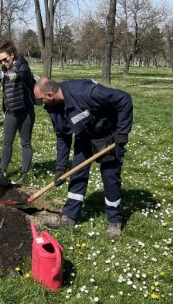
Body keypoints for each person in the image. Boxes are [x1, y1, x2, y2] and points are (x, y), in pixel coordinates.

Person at [33, 77, 133, 238]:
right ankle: (69, 216)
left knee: (110, 177)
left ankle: (114, 220)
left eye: (41, 99)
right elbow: (62, 137)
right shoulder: (53, 109)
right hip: (84, 136)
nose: (41, 103)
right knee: (77, 173)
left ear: (50, 95)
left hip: (107, 135)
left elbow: (123, 98)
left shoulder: (85, 92)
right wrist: (60, 167)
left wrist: (122, 132)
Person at [0, 40, 36, 185]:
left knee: (25, 142)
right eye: (1, 61)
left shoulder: (22, 64)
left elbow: (19, 75)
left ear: (12, 55)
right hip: (11, 112)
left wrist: (4, 76)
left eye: (5, 59)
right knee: (7, 143)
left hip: (25, 112)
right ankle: (2, 170)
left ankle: (24, 172)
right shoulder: (5, 68)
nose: (3, 63)